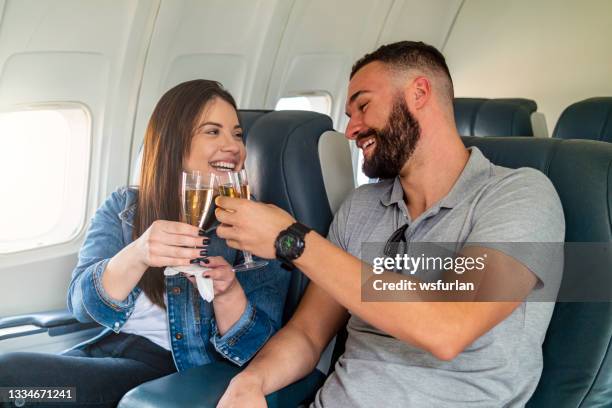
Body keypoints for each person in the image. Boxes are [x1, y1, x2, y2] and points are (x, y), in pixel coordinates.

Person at [214, 41, 565, 407]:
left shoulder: (519, 195)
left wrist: (293, 241)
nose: (351, 131)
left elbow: (448, 327)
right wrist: (249, 383)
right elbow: (307, 334)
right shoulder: (361, 208)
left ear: (419, 93)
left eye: (363, 106)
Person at [0, 80, 290, 407]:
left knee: (9, 378)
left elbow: (260, 352)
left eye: (237, 134)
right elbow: (81, 307)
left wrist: (228, 296)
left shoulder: (258, 227)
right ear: (173, 143)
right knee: (12, 391)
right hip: (105, 352)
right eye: (213, 132)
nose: (234, 146)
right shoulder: (125, 208)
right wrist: (138, 253)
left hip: (172, 370)